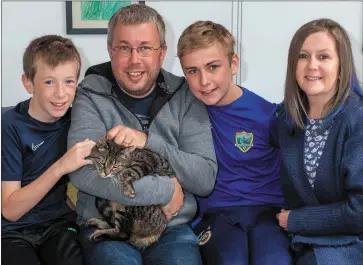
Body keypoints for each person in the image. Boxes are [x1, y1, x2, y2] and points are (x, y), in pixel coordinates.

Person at [67, 4, 217, 265]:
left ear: (162, 53)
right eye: (124, 48)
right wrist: (166, 190)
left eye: (145, 48)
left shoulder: (186, 95)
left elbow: (204, 178)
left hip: (172, 228)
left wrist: (150, 142)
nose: (134, 59)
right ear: (110, 51)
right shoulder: (90, 94)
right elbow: (83, 173)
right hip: (107, 224)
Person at [177, 20, 293, 265]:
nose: (204, 81)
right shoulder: (184, 112)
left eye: (213, 67)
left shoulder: (267, 115)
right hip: (215, 215)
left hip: (268, 212)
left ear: (234, 64)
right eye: (192, 71)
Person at [1, 35, 95, 265]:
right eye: (49, 82)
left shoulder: (78, 120)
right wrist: (61, 166)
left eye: (69, 82)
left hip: (59, 226)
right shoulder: (10, 125)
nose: (61, 94)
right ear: (28, 83)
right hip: (12, 232)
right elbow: (10, 210)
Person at [276, 18, 363, 265]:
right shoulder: (285, 117)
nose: (311, 65)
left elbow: (360, 212)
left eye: (323, 57)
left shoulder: (357, 119)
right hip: (301, 241)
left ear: (341, 65)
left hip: (349, 244)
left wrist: (297, 220)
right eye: (303, 56)